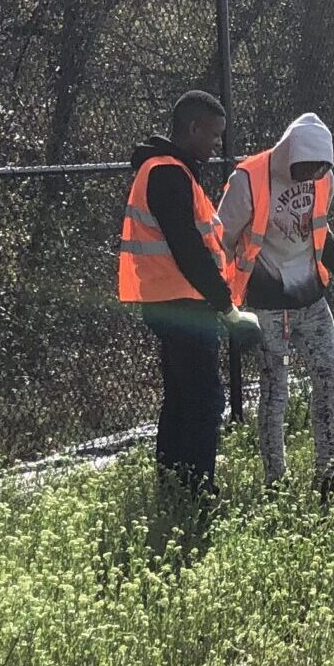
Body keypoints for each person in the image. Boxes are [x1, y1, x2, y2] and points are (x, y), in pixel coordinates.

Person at [219, 112, 334, 495]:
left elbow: (319, 225)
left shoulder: (323, 178)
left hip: (311, 298)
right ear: (289, 156)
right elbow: (220, 239)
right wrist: (223, 301)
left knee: (330, 377)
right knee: (275, 389)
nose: (313, 175)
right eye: (307, 167)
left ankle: (329, 473)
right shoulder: (249, 179)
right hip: (266, 304)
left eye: (320, 168)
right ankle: (275, 481)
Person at [118, 90, 240, 499]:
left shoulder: (173, 170)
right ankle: (198, 489)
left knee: (181, 398)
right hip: (182, 303)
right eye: (214, 134)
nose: (217, 144)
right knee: (205, 399)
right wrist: (224, 303)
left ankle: (174, 483)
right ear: (192, 128)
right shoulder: (169, 173)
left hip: (172, 300)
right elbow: (187, 248)